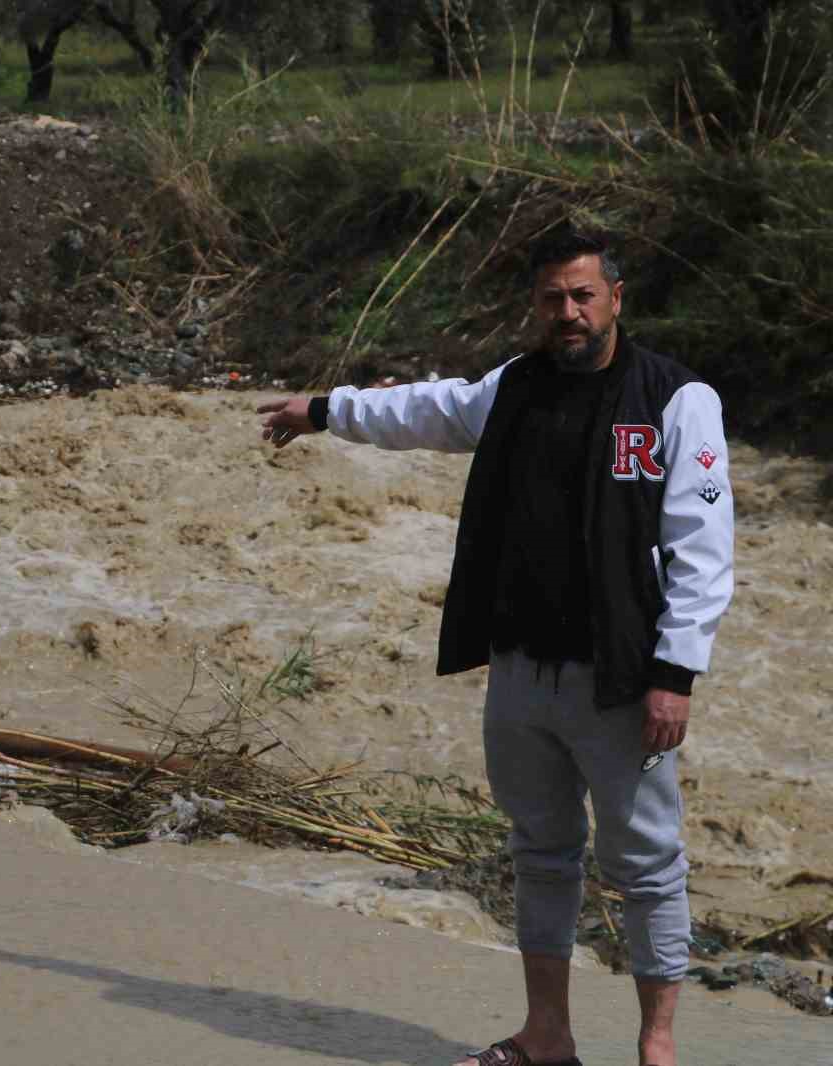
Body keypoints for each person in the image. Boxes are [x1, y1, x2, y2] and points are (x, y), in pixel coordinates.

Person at [258, 229, 733, 1066]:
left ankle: (658, 1045)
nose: (569, 312)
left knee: (647, 865)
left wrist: (675, 672)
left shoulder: (676, 397)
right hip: (521, 671)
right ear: (535, 305)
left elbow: (703, 548)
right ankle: (546, 1035)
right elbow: (427, 409)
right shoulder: (513, 386)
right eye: (553, 297)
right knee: (541, 852)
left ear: (617, 298)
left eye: (584, 295)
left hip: (622, 679)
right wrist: (327, 410)